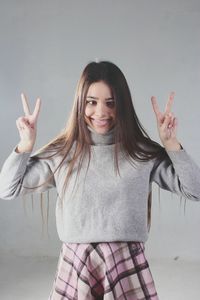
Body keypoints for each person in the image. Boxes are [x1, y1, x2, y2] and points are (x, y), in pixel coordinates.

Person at [0, 61, 200, 300]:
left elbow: (195, 190)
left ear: (123, 106)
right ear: (80, 103)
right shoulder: (62, 153)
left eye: (111, 103)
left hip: (126, 265)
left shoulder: (142, 152)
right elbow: (7, 189)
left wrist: (171, 144)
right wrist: (25, 145)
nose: (101, 112)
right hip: (76, 265)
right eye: (91, 102)